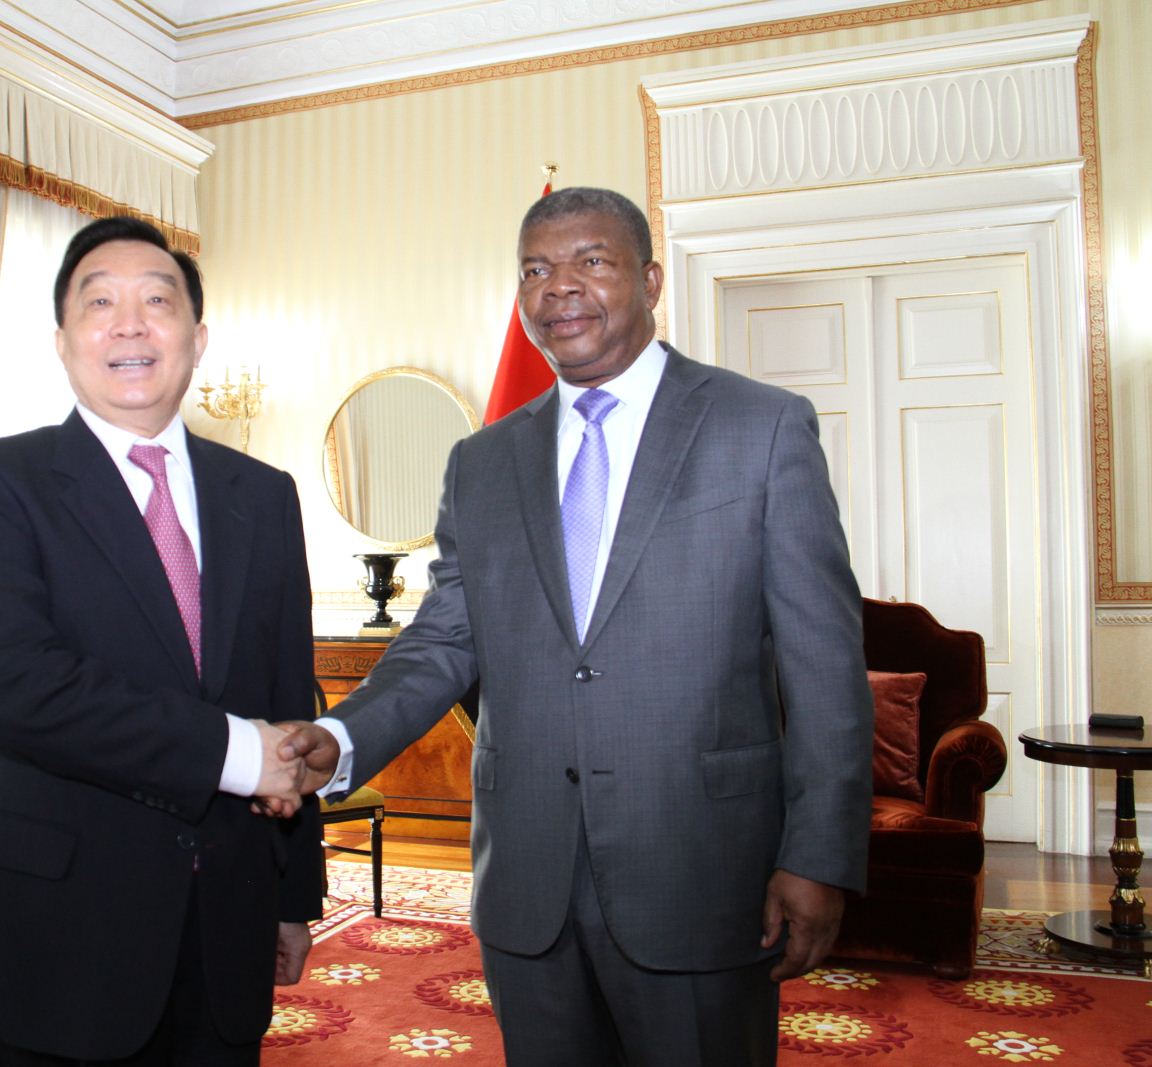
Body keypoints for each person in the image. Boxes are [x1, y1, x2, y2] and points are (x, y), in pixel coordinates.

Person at [278, 187, 874, 1066]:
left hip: (701, 872)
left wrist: (819, 855)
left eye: (591, 261)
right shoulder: (482, 462)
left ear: (650, 280)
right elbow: (443, 641)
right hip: (529, 882)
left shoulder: (761, 427)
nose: (559, 286)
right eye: (535, 269)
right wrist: (340, 738)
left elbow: (825, 664)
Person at [0, 215, 320, 1066]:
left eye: (158, 301)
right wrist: (238, 754)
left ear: (197, 338)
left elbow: (290, 694)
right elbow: (22, 691)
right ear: (63, 341)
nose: (130, 325)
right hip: (66, 935)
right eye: (100, 303)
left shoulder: (263, 493)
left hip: (228, 924)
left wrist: (294, 894)